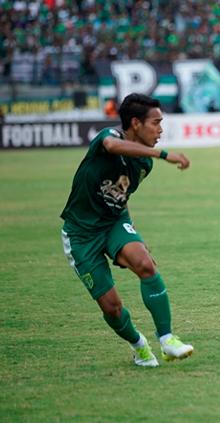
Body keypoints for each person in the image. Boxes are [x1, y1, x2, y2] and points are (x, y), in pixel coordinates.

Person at [60, 93, 194, 367]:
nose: (160, 130)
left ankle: (168, 339)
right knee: (112, 307)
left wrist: (132, 236)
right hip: (80, 235)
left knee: (145, 264)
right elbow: (113, 145)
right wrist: (163, 154)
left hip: (113, 223)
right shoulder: (107, 136)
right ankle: (139, 345)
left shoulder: (143, 164)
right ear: (135, 123)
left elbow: (120, 198)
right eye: (156, 123)